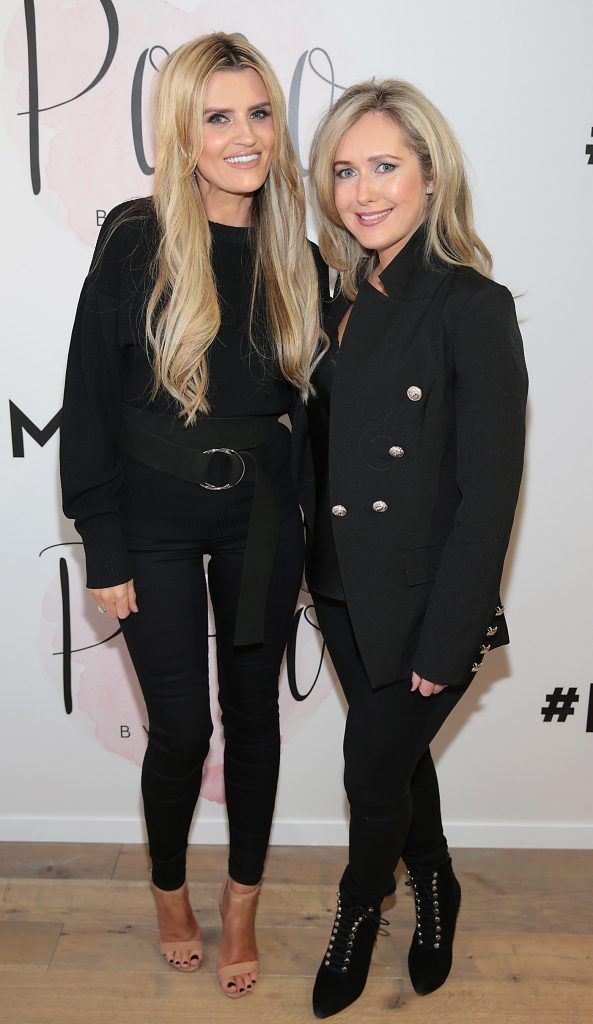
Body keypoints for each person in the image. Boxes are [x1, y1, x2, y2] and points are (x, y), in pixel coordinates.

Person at [60, 32, 326, 999]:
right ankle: (170, 888)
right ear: (182, 131)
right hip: (153, 524)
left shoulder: (296, 256)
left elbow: (314, 416)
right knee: (180, 732)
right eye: (218, 116)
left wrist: (312, 534)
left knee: (254, 721)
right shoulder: (136, 238)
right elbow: (88, 396)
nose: (243, 134)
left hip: (261, 526)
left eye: (258, 112)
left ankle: (242, 900)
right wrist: (103, 540)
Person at [303, 79, 528, 1017]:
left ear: (430, 177)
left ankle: (363, 907)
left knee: (367, 769)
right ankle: (435, 879)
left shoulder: (470, 304)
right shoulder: (335, 294)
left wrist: (448, 640)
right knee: (394, 762)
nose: (362, 191)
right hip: (342, 589)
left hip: (421, 600)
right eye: (345, 170)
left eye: (385, 166)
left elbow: (488, 494)